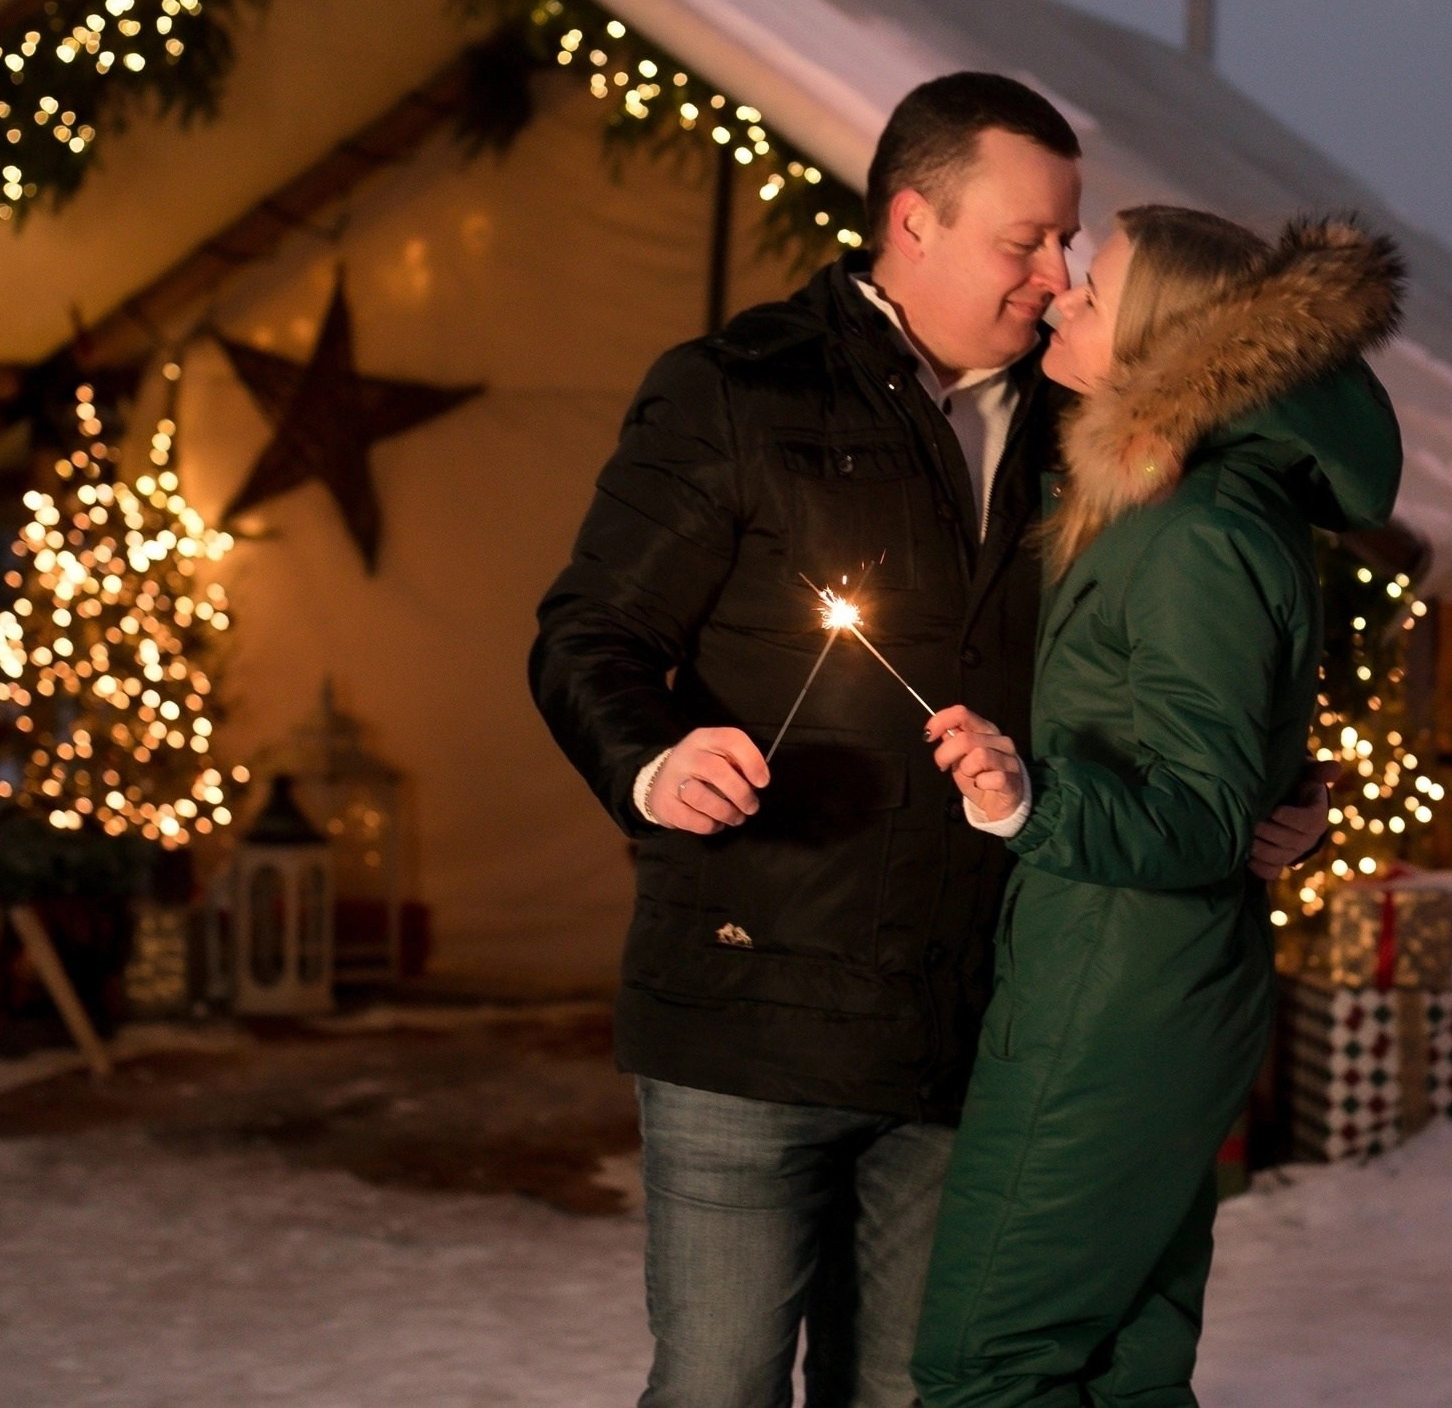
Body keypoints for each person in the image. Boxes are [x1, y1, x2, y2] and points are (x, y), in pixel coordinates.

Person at [527, 74, 1330, 1408]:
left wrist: (1282, 789)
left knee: (909, 1387)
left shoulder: (1096, 431)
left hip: (966, 1020)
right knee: (720, 1377)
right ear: (913, 221)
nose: (1055, 273)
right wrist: (657, 759)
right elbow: (587, 630)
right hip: (750, 1009)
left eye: (1070, 242)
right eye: (1026, 241)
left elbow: (1177, 657)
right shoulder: (737, 390)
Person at [913, 207, 1406, 1407]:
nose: (1061, 302)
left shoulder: (1197, 534)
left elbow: (1192, 812)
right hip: (1144, 985)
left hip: (1116, 1000)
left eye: (1094, 292)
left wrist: (1027, 798)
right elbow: (1229, 761)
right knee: (1124, 1362)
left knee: (986, 1363)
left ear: (1171, 344)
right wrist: (1289, 799)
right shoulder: (1177, 506)